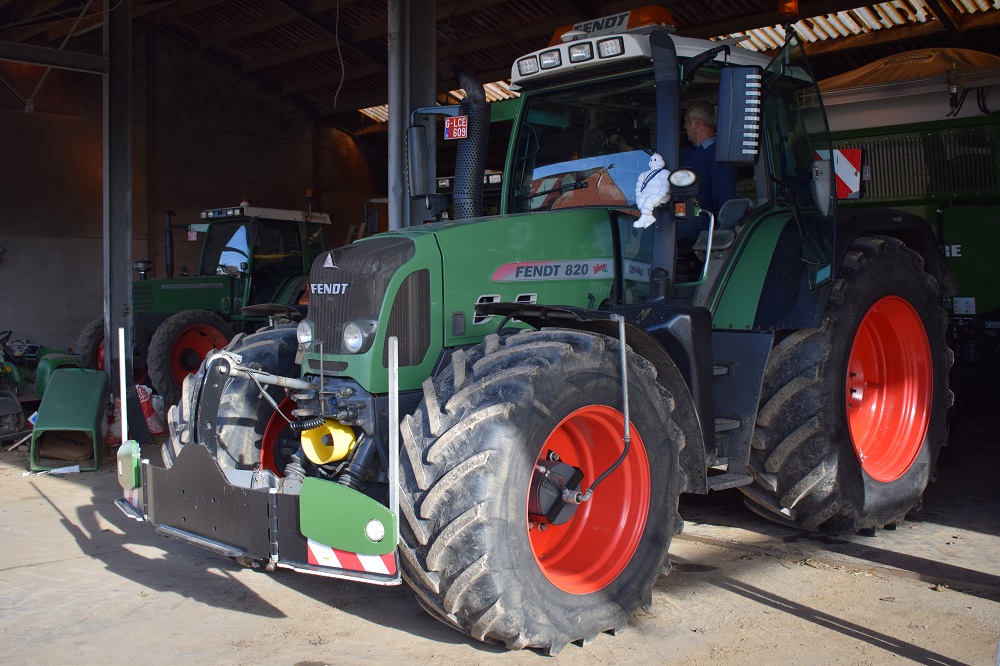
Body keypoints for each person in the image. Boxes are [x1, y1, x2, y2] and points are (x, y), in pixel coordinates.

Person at [680, 101, 737, 214]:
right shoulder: (684, 153)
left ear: (696, 123)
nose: (684, 126)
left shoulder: (720, 156)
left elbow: (725, 199)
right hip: (681, 215)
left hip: (704, 220)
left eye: (686, 122)